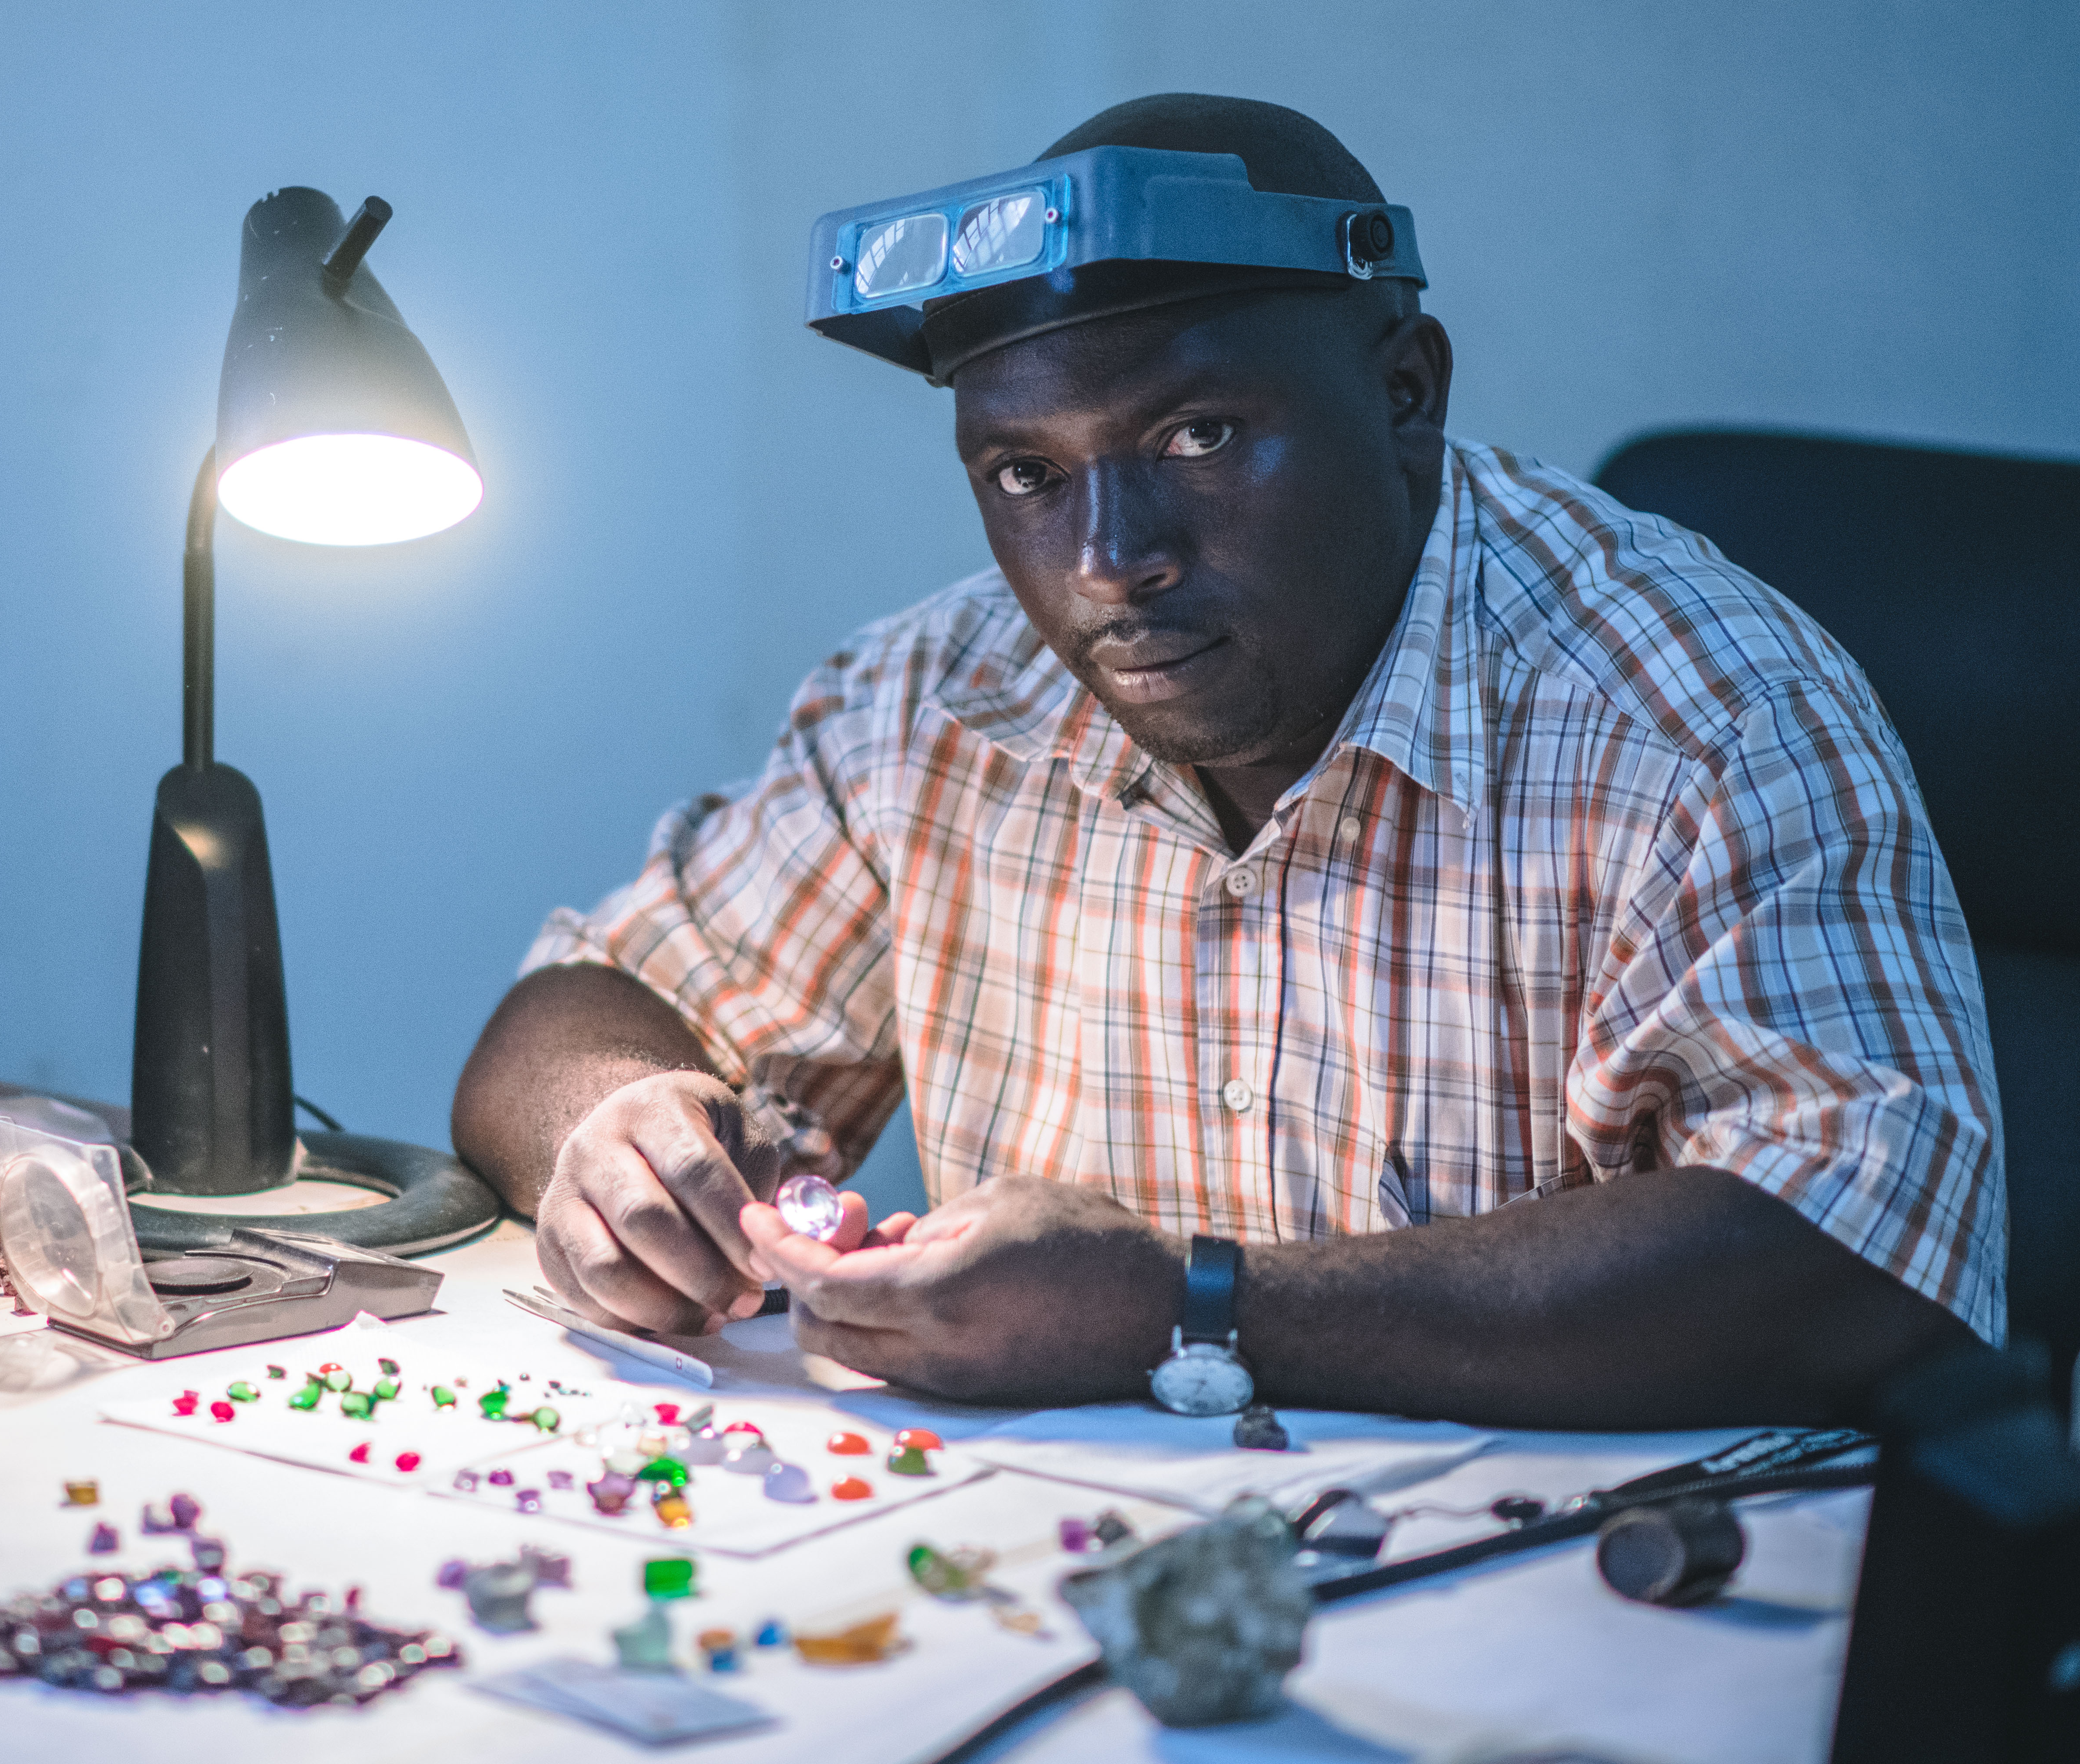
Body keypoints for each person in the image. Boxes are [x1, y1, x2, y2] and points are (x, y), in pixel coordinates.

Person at [449, 94, 2001, 1429]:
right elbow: (571, 1011)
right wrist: (621, 1126)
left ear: (1406, 394)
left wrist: (1190, 1309)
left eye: (1197, 436)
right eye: (1028, 474)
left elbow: (1852, 1266)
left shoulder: (1698, 713)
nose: (1111, 561)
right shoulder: (936, 697)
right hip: (1066, 1588)